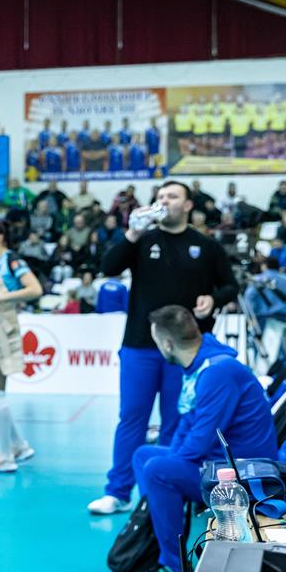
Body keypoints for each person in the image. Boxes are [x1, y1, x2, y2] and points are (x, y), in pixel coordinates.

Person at [90, 181, 238, 515]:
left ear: (187, 205)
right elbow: (108, 267)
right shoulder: (142, 240)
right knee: (132, 417)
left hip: (185, 353)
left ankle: (163, 493)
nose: (164, 201)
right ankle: (118, 492)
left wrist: (214, 299)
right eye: (160, 196)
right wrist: (131, 233)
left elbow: (231, 286)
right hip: (140, 345)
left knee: (177, 420)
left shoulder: (206, 245)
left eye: (172, 196)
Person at [130, 306, 276, 572]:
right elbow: (188, 424)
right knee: (143, 455)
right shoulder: (200, 365)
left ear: (167, 344)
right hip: (219, 461)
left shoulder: (216, 373)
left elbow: (198, 442)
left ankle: (175, 568)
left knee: (158, 470)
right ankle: (158, 536)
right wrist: (176, 458)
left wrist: (174, 462)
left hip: (245, 474)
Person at [0, 219, 43, 473]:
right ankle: (18, 445)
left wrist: (2, 297)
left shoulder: (12, 261)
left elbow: (35, 289)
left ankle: (5, 456)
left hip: (1, 330)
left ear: (0, 237)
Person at [244, 258, 286, 369]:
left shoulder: (258, 279)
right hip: (281, 318)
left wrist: (250, 315)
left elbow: (249, 298)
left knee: (261, 349)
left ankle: (261, 375)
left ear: (264, 265)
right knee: (281, 349)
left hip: (261, 318)